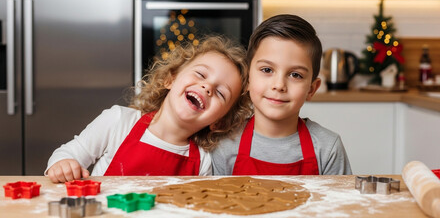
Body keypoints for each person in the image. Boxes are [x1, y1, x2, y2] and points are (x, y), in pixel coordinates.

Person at [46, 36, 252, 183]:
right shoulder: (119, 121)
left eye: (220, 93)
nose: (208, 87)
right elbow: (68, 154)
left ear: (219, 122)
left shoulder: (203, 162)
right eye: (200, 74)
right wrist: (63, 164)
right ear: (170, 79)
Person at [211, 14, 352, 175]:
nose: (279, 86)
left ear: (312, 89)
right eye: (267, 70)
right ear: (247, 78)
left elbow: (340, 200)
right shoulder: (224, 145)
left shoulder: (327, 148)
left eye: (295, 75)